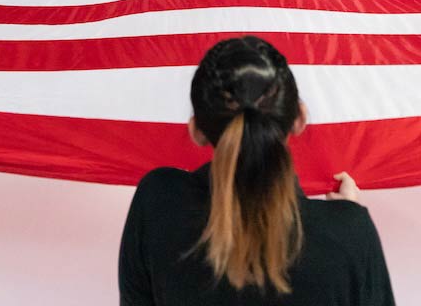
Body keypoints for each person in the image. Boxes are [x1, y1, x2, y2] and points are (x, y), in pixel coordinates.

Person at [119, 36, 394, 305]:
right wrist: (346, 222)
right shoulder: (348, 234)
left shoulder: (158, 201)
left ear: (196, 130)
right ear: (299, 118)